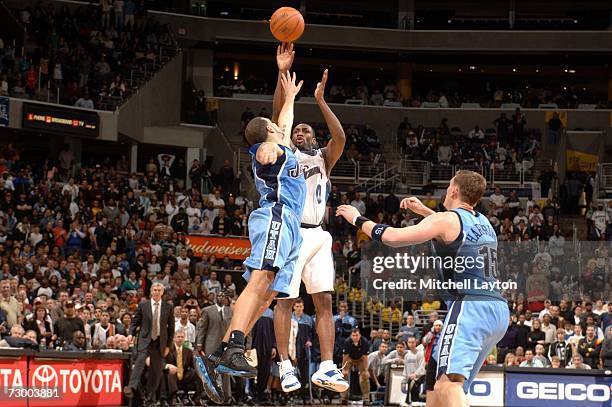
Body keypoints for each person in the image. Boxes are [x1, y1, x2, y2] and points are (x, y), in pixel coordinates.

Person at [336, 170, 510, 407]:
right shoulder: (484, 222)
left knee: (449, 384)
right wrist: (426, 213)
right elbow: (452, 231)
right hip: (496, 309)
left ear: (454, 190)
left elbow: (392, 237)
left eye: (449, 184)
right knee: (436, 382)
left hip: (470, 306)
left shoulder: (446, 220)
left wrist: (357, 219)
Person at [198, 69, 306, 398]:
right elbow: (265, 148)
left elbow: (284, 122)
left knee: (271, 294)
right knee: (260, 280)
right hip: (277, 216)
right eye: (276, 130)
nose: (282, 128)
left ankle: (221, 354)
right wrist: (266, 148)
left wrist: (288, 96)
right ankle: (234, 346)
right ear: (268, 133)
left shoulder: (281, 139)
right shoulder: (266, 149)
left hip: (291, 228)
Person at [266, 43, 348, 394]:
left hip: (319, 236)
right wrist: (283, 73)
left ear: (313, 137)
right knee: (285, 300)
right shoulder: (286, 155)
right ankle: (285, 365)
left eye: (305, 131)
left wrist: (320, 101)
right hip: (292, 233)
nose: (299, 133)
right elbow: (275, 118)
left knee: (324, 300)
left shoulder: (324, 158)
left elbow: (341, 137)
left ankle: (328, 366)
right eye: (295, 131)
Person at [124, 283, 175, 404]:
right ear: (151, 292)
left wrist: (168, 345)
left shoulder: (168, 307)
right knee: (141, 360)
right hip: (145, 339)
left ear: (162, 292)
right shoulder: (143, 305)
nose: (157, 292)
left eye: (159, 290)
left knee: (156, 372)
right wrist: (131, 334)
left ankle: (150, 398)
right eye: (155, 290)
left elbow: (171, 328)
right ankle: (131, 386)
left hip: (160, 342)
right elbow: (135, 321)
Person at [164, 329, 201, 405]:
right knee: (171, 373)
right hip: (171, 375)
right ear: (174, 338)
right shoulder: (168, 350)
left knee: (198, 373)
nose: (180, 339)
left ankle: (197, 397)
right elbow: (163, 362)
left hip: (184, 375)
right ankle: (173, 397)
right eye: (178, 337)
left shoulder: (188, 351)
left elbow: (194, 365)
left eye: (182, 337)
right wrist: (168, 366)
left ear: (184, 339)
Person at [341, 328, 370, 404]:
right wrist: (343, 369)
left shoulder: (365, 342)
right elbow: (345, 356)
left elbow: (365, 357)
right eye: (353, 335)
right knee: (344, 375)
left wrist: (366, 370)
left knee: (364, 376)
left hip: (361, 359)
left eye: (357, 335)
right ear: (351, 336)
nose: (355, 337)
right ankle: (343, 398)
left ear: (360, 335)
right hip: (350, 358)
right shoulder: (347, 342)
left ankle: (366, 398)